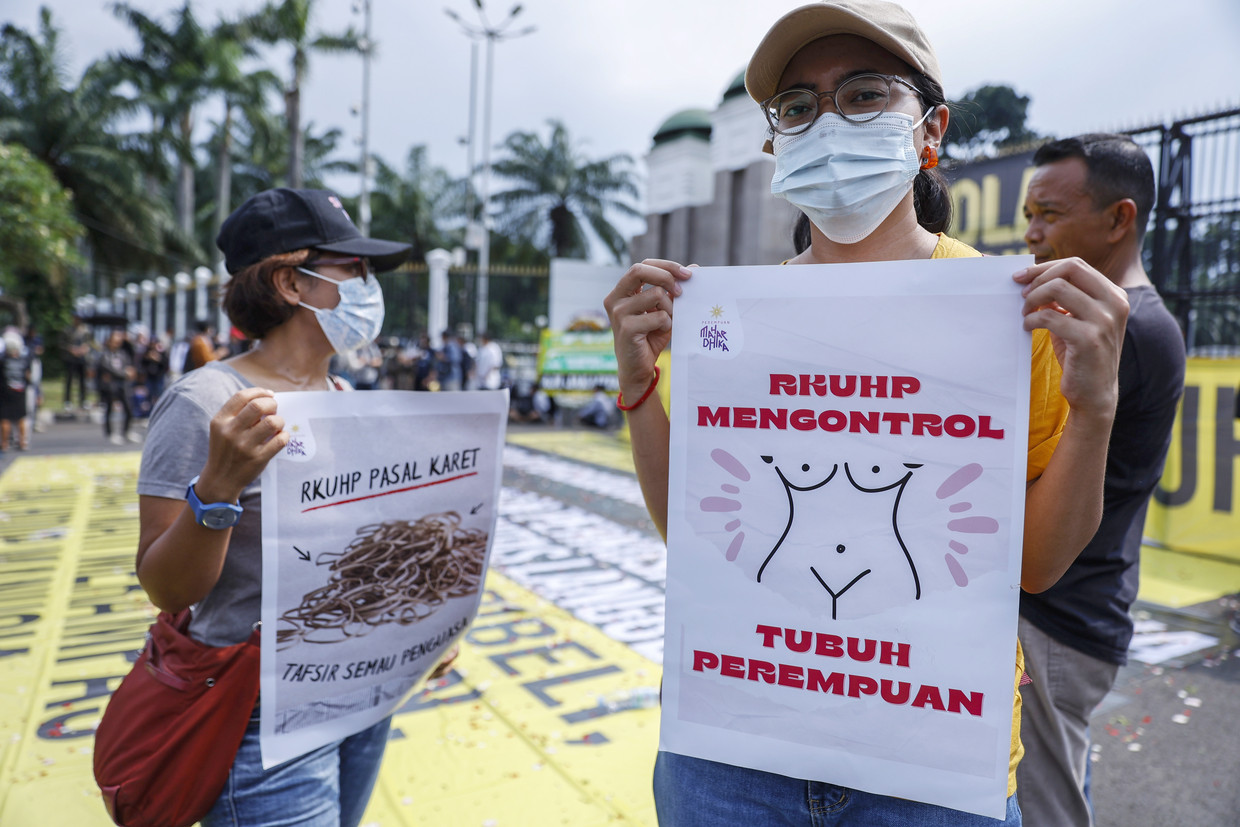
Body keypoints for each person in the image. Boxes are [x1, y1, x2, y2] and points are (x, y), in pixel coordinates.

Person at [602, 2, 1129, 824]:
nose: (827, 122)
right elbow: (696, 537)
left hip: (933, 767)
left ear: (930, 128)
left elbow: (1037, 566)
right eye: (800, 107)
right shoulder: (731, 320)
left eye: (864, 94)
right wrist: (639, 389)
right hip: (733, 755)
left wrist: (1095, 412)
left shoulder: (1012, 314)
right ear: (776, 142)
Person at [134, 188, 451, 827]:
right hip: (258, 713)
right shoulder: (208, 402)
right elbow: (164, 587)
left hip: (363, 694)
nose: (368, 286)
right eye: (352, 268)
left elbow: (366, 551)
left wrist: (424, 626)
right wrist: (217, 492)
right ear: (290, 281)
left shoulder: (346, 394)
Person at [1016, 134, 1186, 827]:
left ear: (1120, 219)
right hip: (1068, 610)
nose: (1031, 235)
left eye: (1050, 214)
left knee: (1044, 809)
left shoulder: (1129, 332)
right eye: (1029, 214)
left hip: (1060, 616)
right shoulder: (1094, 322)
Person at [97, 329, 139, 445]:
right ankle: (110, 434)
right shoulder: (104, 354)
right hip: (110, 386)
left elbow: (129, 363)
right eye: (115, 341)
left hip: (123, 385)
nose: (117, 343)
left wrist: (129, 372)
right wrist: (124, 374)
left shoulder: (122, 354)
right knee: (109, 410)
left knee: (129, 409)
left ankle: (126, 432)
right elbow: (108, 369)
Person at [0, 330, 31, 450]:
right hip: (20, 391)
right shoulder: (23, 361)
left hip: (6, 392)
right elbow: (28, 376)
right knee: (21, 417)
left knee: (5, 418)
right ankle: (22, 442)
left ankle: (4, 443)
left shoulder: (3, 361)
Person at [63, 313, 92, 411]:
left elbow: (89, 343)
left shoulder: (85, 330)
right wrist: (71, 349)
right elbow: (63, 343)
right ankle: (68, 401)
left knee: (83, 380)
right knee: (69, 380)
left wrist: (84, 349)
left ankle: (83, 401)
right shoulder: (68, 330)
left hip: (82, 358)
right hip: (71, 358)